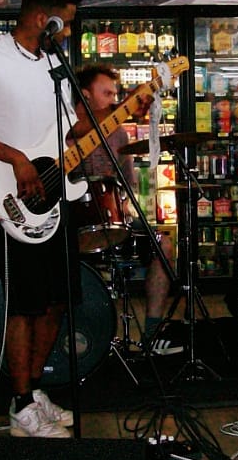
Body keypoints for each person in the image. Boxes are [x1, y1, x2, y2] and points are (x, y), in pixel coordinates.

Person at [0, 0, 84, 438]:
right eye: (64, 22)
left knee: (57, 302)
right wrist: (16, 158)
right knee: (24, 305)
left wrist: (123, 114)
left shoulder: (54, 66)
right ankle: (20, 401)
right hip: (13, 197)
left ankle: (34, 390)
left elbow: (68, 132)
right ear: (41, 17)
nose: (68, 32)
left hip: (55, 193)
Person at [69, 65, 182, 355]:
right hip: (71, 224)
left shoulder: (118, 135)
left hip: (114, 222)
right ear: (85, 95)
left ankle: (152, 333)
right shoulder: (63, 130)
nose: (113, 100)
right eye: (107, 94)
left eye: (116, 94)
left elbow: (126, 186)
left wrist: (124, 208)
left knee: (163, 246)